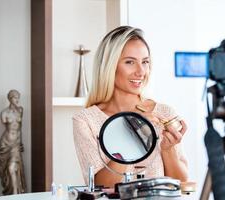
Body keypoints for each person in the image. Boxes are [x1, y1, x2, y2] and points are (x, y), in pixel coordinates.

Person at [73, 26, 189, 187]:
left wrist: (168, 149)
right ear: (109, 65)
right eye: (130, 62)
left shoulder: (164, 113)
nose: (141, 71)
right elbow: (99, 186)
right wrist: (132, 137)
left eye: (145, 62)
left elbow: (182, 185)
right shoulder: (86, 121)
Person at [0, 89, 27, 194]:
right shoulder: (4, 113)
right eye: (15, 97)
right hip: (5, 143)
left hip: (15, 144)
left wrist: (20, 142)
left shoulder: (21, 111)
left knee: (11, 168)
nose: (17, 100)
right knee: (8, 170)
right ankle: (13, 194)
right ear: (10, 99)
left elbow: (20, 128)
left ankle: (14, 195)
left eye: (18, 97)